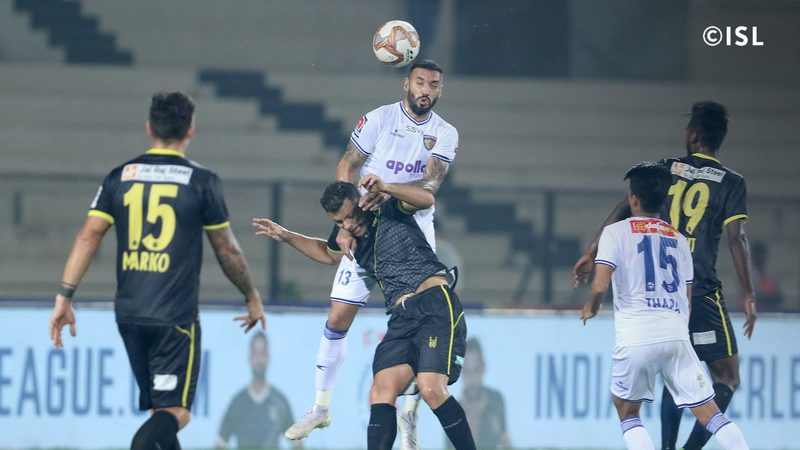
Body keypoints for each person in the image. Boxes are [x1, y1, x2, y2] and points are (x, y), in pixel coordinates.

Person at [48, 92, 266, 450]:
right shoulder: (201, 181)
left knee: (160, 412)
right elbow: (226, 249)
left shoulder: (119, 177)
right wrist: (251, 295)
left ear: (149, 127)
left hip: (129, 315)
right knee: (176, 412)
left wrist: (64, 297)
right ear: (191, 130)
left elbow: (89, 235)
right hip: (173, 319)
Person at [285, 58, 459, 448]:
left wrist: (389, 189)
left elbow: (430, 184)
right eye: (419, 82)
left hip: (410, 230)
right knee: (337, 316)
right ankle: (321, 407)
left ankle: (410, 406)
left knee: (416, 318)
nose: (425, 90)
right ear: (406, 84)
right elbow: (347, 165)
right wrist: (343, 225)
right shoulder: (379, 119)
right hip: (365, 226)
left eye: (433, 84)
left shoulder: (445, 133)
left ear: (440, 90)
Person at [572, 101, 757, 450]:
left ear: (691, 134)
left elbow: (625, 208)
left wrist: (592, 250)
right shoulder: (732, 182)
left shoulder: (667, 169)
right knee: (725, 377)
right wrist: (748, 292)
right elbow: (738, 238)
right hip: (698, 290)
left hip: (651, 299)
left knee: (638, 405)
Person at [253, 179, 475, 450]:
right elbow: (327, 254)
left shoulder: (389, 209)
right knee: (380, 391)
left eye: (350, 215)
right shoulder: (349, 238)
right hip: (401, 317)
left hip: (434, 304)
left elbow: (427, 199)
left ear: (360, 202)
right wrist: (286, 235)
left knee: (430, 389)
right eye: (339, 221)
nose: (347, 224)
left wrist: (386, 187)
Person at [216, 332, 300, 449]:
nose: (259, 360)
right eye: (255, 353)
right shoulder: (237, 402)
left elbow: (297, 443)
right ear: (249, 358)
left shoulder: (280, 401)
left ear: (268, 358)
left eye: (263, 353)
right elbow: (220, 444)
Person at [446, 338, 511, 449]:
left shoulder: (496, 400)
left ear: (483, 368)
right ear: (460, 371)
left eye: (476, 369)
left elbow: (504, 438)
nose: (472, 377)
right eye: (467, 371)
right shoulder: (452, 410)